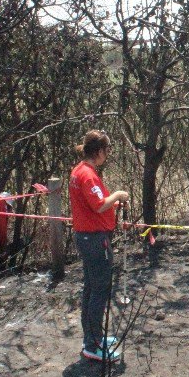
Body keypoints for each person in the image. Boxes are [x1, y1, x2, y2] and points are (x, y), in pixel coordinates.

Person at [69, 130, 129, 363]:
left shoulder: (80, 171)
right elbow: (99, 205)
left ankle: (93, 337)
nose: (107, 155)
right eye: (107, 150)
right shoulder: (87, 175)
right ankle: (92, 344)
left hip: (89, 237)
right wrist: (117, 195)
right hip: (94, 240)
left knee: (91, 288)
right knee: (100, 290)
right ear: (100, 151)